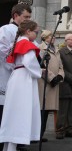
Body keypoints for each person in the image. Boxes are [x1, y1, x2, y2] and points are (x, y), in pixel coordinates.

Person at [0, 20, 42, 151]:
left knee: (14, 112)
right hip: (24, 78)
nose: (37, 34)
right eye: (36, 32)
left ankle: (9, 147)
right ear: (28, 31)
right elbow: (30, 62)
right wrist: (39, 72)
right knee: (21, 111)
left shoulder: (17, 43)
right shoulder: (25, 43)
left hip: (16, 77)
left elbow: (10, 63)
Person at [0, 4, 31, 150]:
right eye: (25, 17)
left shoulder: (25, 34)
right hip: (6, 75)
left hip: (20, 78)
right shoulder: (6, 30)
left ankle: (15, 141)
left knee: (17, 111)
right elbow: (2, 51)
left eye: (29, 18)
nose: (27, 20)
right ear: (15, 16)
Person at [38, 30, 64, 141]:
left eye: (54, 36)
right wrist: (51, 78)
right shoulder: (40, 49)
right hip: (44, 83)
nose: (54, 38)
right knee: (41, 111)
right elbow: (40, 66)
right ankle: (37, 135)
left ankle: (40, 134)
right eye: (51, 36)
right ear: (45, 38)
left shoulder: (56, 49)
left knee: (47, 110)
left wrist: (60, 76)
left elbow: (61, 66)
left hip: (54, 83)